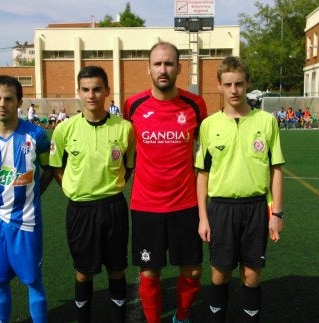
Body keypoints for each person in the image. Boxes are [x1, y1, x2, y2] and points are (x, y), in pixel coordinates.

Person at [123, 41, 207, 323]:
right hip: (146, 206)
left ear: (179, 68)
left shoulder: (195, 105)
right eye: (157, 64)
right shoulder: (133, 105)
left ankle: (181, 317)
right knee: (149, 272)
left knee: (193, 270)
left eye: (169, 63)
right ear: (148, 69)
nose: (163, 69)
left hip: (186, 204)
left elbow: (205, 153)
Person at [196, 56, 284, 322]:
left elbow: (276, 169)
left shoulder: (266, 122)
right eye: (228, 84)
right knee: (219, 274)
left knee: (252, 275)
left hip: (256, 208)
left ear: (248, 84)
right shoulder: (209, 125)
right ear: (220, 86)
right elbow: (202, 174)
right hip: (221, 209)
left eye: (239, 84)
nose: (234, 90)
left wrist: (277, 214)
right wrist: (203, 217)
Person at [50, 66, 135, 323]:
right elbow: (56, 167)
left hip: (113, 207)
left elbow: (128, 167)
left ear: (107, 91)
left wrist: (109, 187)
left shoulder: (125, 128)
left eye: (97, 89)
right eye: (85, 90)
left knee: (117, 269)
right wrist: (73, 189)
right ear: (78, 92)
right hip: (80, 210)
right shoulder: (65, 129)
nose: (91, 95)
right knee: (83, 272)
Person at [0, 75, 53, 322]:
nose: (2, 104)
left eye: (8, 98)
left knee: (33, 281)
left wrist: (35, 193)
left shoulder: (36, 135)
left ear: (19, 102)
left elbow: (49, 168)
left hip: (26, 220)